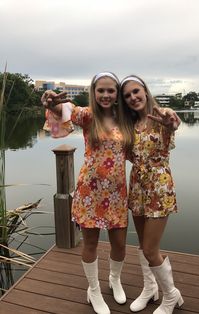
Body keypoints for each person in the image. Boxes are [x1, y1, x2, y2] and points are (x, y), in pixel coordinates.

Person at [41, 72, 132, 314]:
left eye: (110, 90)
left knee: (120, 244)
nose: (105, 94)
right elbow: (65, 109)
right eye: (100, 90)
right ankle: (93, 290)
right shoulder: (88, 116)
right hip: (89, 193)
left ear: (117, 94)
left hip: (117, 194)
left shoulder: (125, 120)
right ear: (94, 92)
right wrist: (53, 102)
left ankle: (114, 279)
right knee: (90, 243)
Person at [119, 75, 183, 314]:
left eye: (136, 91)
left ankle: (170, 296)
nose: (133, 97)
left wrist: (171, 122)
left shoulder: (161, 117)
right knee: (142, 244)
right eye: (127, 95)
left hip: (158, 186)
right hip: (137, 186)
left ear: (145, 91)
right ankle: (149, 288)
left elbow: (173, 123)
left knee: (150, 249)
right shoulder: (129, 126)